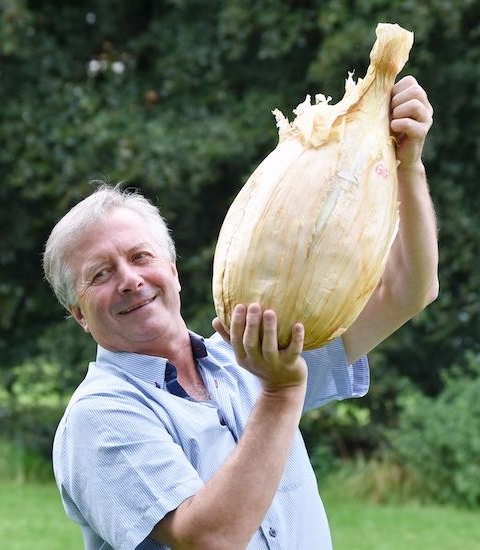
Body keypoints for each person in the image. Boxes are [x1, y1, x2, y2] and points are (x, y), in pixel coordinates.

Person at [43, 75, 438, 550]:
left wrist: (408, 165)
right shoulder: (100, 416)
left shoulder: (250, 354)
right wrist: (281, 391)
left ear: (172, 267)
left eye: (140, 256)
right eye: (100, 274)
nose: (129, 279)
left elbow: (408, 291)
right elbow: (209, 538)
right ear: (79, 313)